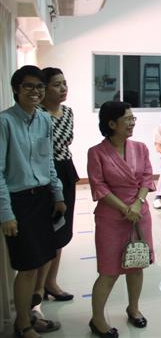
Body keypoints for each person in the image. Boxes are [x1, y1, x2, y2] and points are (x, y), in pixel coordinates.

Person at [1, 66, 66, 338]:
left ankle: (30, 315)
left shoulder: (44, 120)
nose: (35, 91)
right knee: (27, 266)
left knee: (41, 260)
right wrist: (6, 213)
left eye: (39, 86)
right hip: (19, 201)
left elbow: (47, 160)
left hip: (42, 198)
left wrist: (58, 194)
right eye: (28, 86)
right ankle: (22, 324)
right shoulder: (5, 122)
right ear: (16, 89)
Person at [87, 101, 156, 337]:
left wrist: (137, 203)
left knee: (136, 265)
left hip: (139, 214)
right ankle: (97, 319)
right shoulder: (96, 152)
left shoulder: (140, 148)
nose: (132, 122)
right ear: (111, 123)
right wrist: (126, 208)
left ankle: (133, 308)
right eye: (127, 119)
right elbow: (99, 186)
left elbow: (147, 177)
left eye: (133, 118)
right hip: (111, 217)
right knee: (109, 270)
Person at [34, 67, 78, 304]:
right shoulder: (37, 113)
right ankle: (38, 287)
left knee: (61, 229)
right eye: (56, 84)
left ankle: (51, 282)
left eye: (64, 83)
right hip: (45, 173)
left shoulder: (68, 112)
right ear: (44, 88)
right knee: (47, 229)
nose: (63, 88)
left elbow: (65, 142)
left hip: (66, 169)